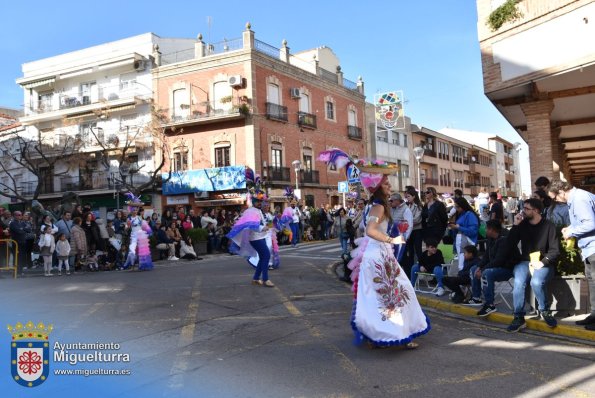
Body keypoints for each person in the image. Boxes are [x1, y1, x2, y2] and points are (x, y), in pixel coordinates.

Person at [345, 163, 429, 348]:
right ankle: (395, 334)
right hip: (378, 258)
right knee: (395, 294)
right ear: (377, 187)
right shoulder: (379, 207)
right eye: (386, 184)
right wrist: (392, 240)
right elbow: (370, 230)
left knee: (383, 296)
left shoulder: (378, 206)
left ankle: (379, 334)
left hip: (379, 256)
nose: (390, 186)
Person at [506, 198, 560, 332]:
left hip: (543, 262)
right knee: (518, 282)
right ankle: (518, 317)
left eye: (526, 209)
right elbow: (509, 243)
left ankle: (545, 310)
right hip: (525, 262)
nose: (523, 211)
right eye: (523, 208)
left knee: (536, 282)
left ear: (536, 210)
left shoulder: (549, 226)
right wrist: (515, 225)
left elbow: (555, 251)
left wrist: (543, 262)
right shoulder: (522, 224)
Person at [548, 180, 595, 331]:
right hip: (588, 248)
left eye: (555, 198)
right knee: (592, 282)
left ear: (561, 192)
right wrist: (571, 227)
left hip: (593, 247)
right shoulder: (576, 198)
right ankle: (594, 314)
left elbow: (590, 223)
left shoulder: (579, 199)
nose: (555, 201)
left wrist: (572, 231)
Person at [469, 220, 519, 314]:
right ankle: (476, 298)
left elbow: (499, 261)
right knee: (473, 269)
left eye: (486, 228)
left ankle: (490, 304)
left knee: (486, 273)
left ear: (492, 230)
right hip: (495, 267)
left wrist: (483, 269)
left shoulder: (504, 240)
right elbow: (486, 257)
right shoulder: (490, 239)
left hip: (507, 269)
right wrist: (479, 267)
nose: (485, 230)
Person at [227, 190, 275, 287]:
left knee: (263, 257)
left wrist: (267, 225)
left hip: (260, 237)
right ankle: (265, 279)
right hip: (255, 238)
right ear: (253, 201)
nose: (259, 203)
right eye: (257, 201)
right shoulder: (251, 211)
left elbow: (260, 222)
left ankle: (256, 278)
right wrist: (262, 228)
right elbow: (251, 225)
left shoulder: (258, 211)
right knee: (266, 256)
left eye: (260, 201)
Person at [448, 197, 479, 273]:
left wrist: (458, 227)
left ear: (462, 206)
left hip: (466, 242)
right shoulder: (463, 214)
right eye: (455, 207)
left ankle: (463, 276)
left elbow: (473, 231)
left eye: (457, 207)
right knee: (462, 262)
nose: (456, 209)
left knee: (462, 263)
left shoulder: (469, 215)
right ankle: (462, 276)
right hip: (462, 241)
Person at [403, 187, 423, 277]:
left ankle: (421, 267)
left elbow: (417, 219)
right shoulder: (406, 206)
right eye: (406, 196)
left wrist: (407, 222)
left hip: (417, 230)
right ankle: (411, 270)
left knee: (418, 250)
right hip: (409, 231)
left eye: (409, 196)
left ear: (414, 196)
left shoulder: (418, 206)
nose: (407, 198)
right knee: (410, 251)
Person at [389, 193, 413, 264]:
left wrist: (404, 238)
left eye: (391, 200)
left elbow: (409, 225)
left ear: (397, 201)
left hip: (401, 239)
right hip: (393, 239)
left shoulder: (406, 210)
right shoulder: (392, 209)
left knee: (403, 259)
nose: (390, 202)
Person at [8, 211, 30, 275]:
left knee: (22, 256)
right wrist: (23, 229)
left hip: (23, 241)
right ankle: (17, 271)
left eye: (20, 215)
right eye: (18, 215)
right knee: (17, 257)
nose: (19, 216)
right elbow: (18, 231)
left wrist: (22, 229)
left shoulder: (22, 222)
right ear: (14, 216)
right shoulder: (12, 223)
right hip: (16, 242)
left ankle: (20, 270)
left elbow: (29, 229)